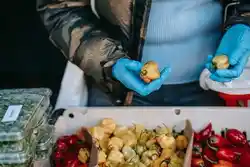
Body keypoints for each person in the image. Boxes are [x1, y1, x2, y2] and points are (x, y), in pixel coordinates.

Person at [36, 0, 250, 106]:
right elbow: (59, 7)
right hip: (116, 90)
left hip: (217, 89)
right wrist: (109, 61)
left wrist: (243, 23)